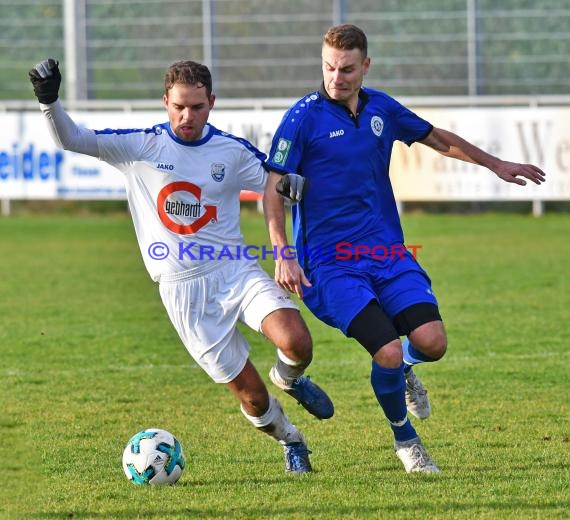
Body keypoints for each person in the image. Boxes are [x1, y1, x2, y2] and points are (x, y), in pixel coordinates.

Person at [29, 58, 335, 474]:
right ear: (165, 103)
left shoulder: (229, 151)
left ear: (211, 102)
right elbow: (72, 139)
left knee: (297, 341)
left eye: (196, 107)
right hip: (182, 292)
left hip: (234, 269)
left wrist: (294, 188)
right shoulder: (140, 146)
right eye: (178, 107)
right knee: (253, 398)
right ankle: (291, 439)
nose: (186, 116)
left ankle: (291, 377)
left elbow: (274, 182)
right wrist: (49, 101)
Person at [263, 24, 546, 473]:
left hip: (388, 255)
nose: (337, 78)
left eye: (347, 69)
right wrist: (283, 252)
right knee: (387, 350)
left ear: (366, 66)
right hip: (331, 266)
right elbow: (273, 188)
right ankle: (406, 442)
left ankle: (406, 373)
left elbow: (438, 139)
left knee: (431, 343)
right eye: (329, 67)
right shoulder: (303, 118)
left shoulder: (382, 108)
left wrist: (497, 164)